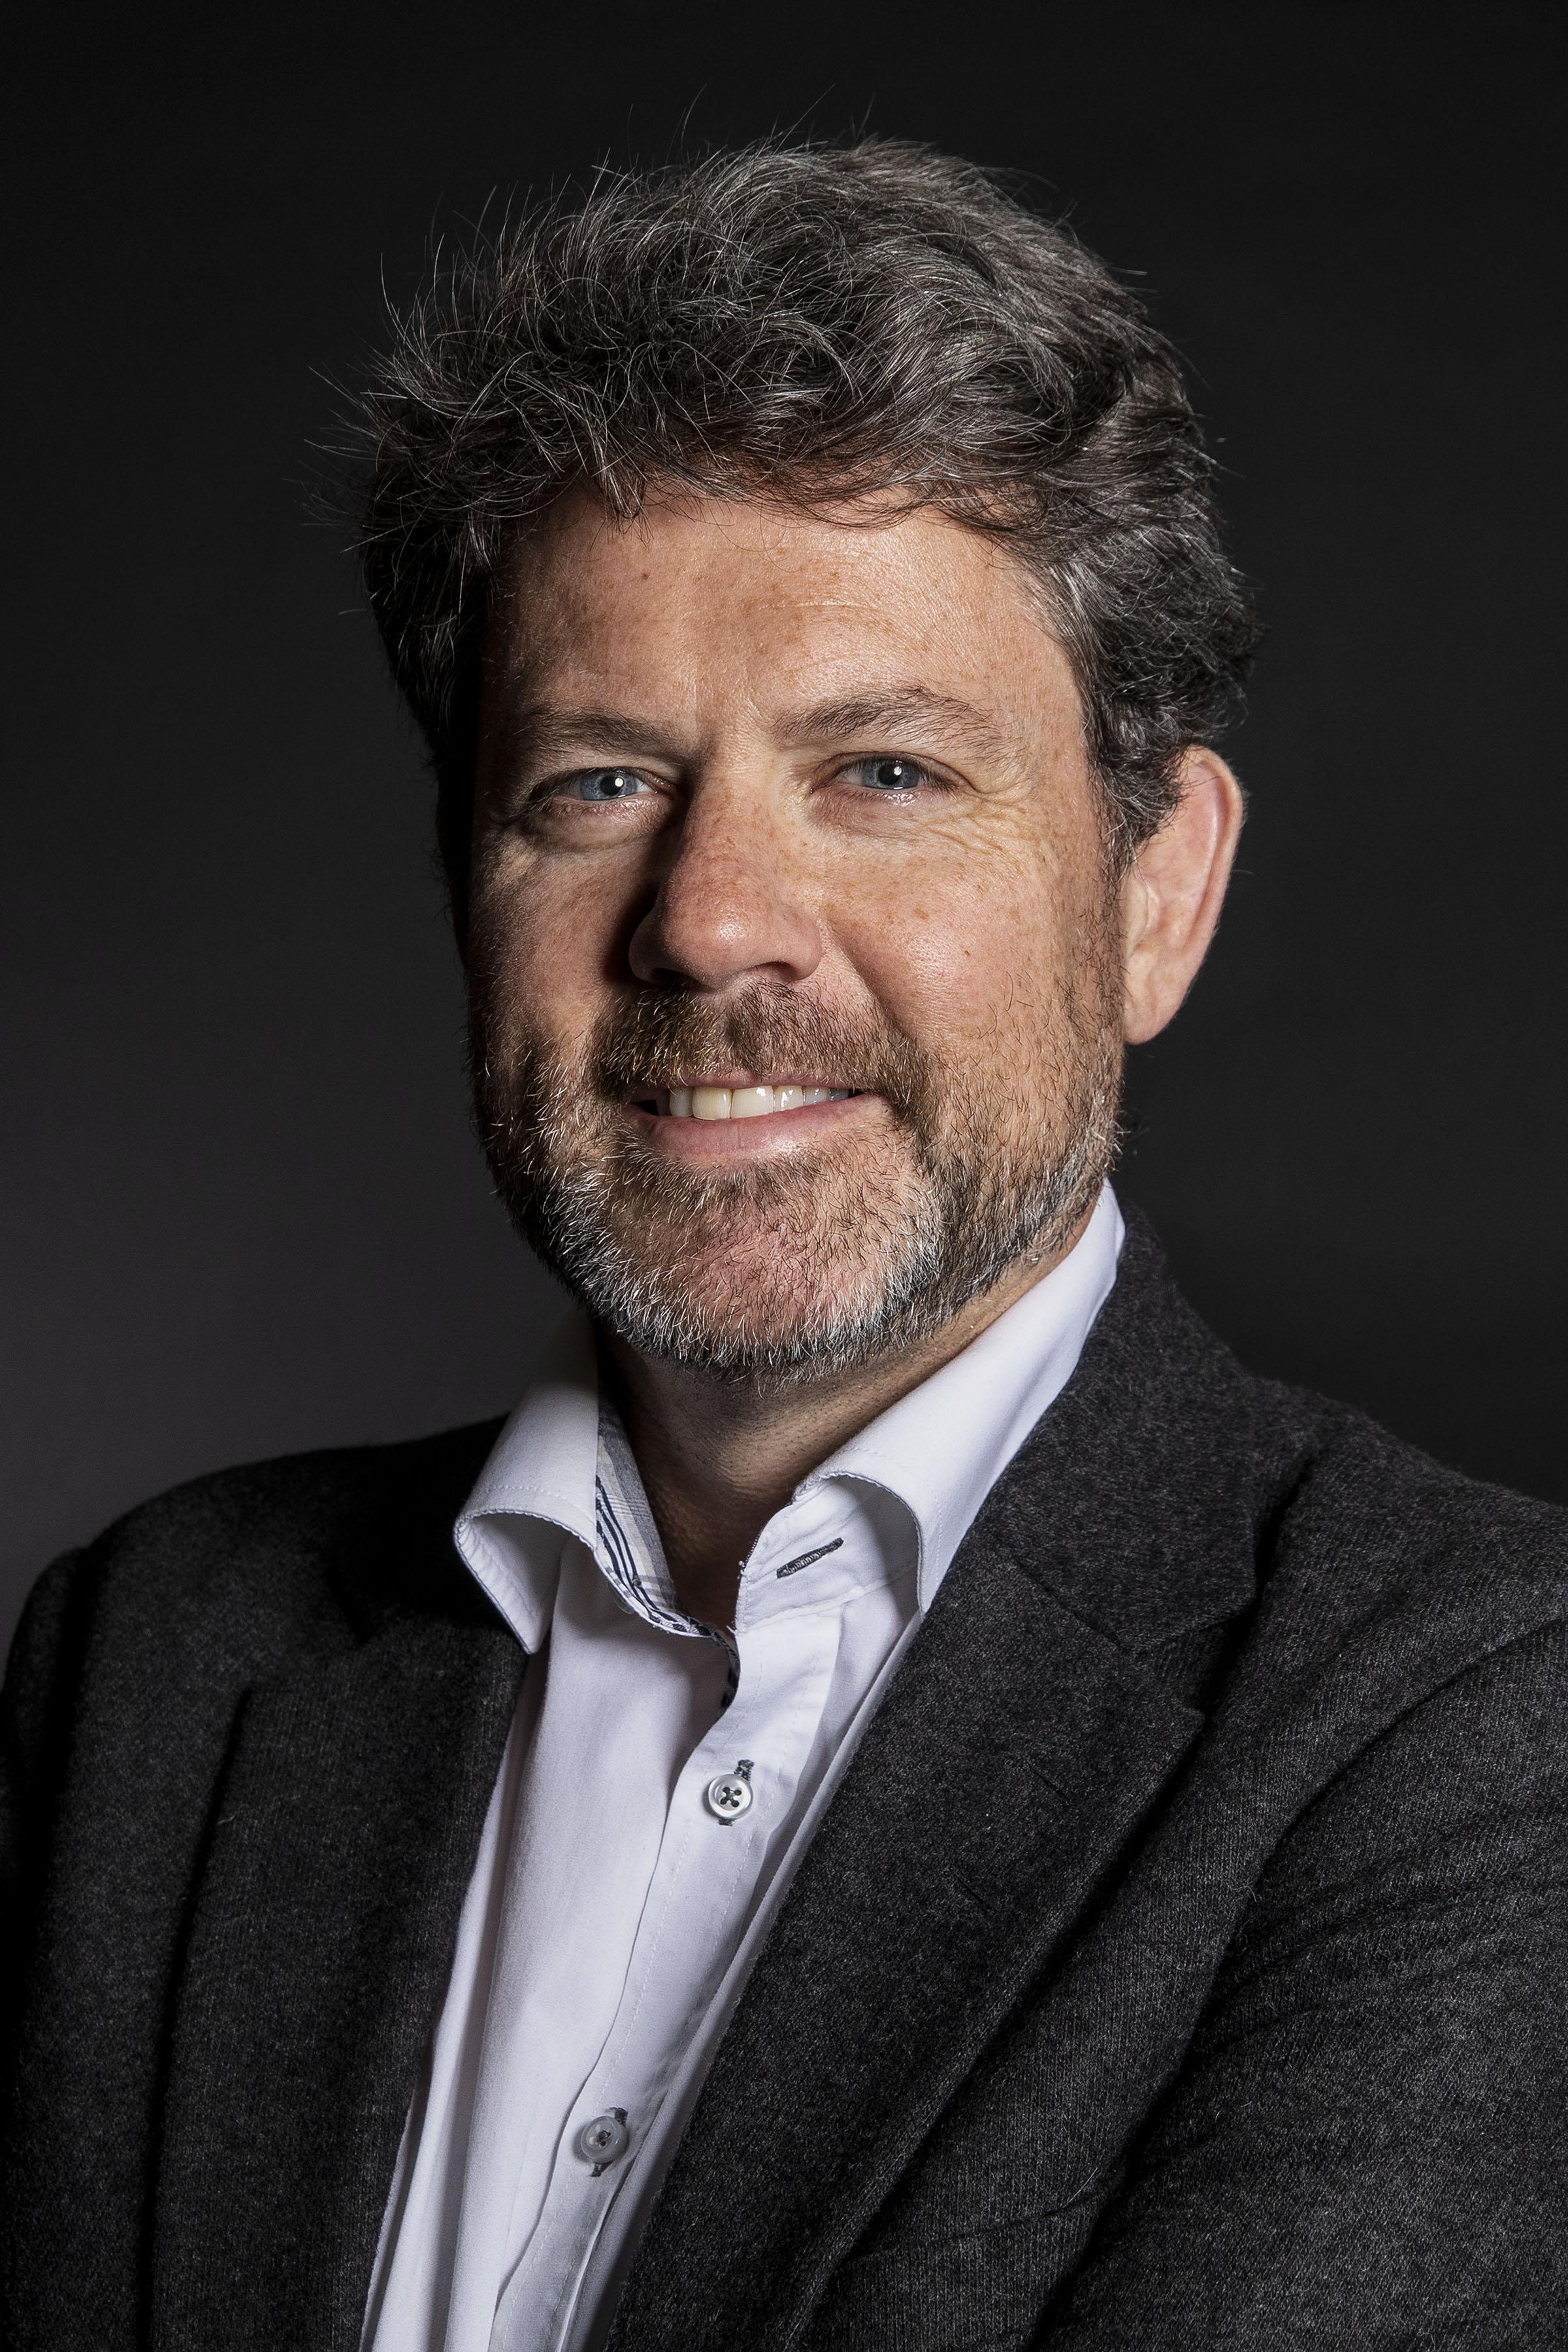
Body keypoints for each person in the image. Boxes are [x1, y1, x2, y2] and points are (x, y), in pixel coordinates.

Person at [3, 140, 1564, 2352]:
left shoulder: (1472, 1728)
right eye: (598, 785)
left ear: (1157, 894)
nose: (714, 920)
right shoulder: (149, 1663)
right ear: (464, 888)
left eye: (886, 774)